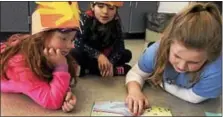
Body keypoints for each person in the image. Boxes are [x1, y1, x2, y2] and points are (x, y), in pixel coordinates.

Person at [125, 2, 222, 115]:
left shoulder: (217, 69)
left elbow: (194, 97)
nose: (181, 66)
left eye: (193, 62)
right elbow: (136, 73)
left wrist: (162, 84)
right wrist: (134, 91)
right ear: (168, 43)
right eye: (177, 56)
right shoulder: (157, 51)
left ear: (210, 57)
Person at [1, 2, 81, 112]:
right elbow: (52, 102)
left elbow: (47, 79)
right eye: (63, 38)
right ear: (41, 37)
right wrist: (61, 67)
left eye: (72, 39)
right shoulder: (21, 64)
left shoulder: (46, 50)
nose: (71, 46)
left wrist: (65, 92)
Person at [71, 2, 132, 77]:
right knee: (74, 53)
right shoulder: (85, 18)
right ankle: (103, 70)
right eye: (100, 6)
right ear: (92, 6)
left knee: (127, 54)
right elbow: (78, 43)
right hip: (89, 55)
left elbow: (120, 47)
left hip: (106, 54)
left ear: (116, 10)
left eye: (111, 8)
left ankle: (94, 70)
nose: (105, 12)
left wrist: (110, 63)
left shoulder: (116, 21)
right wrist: (98, 55)